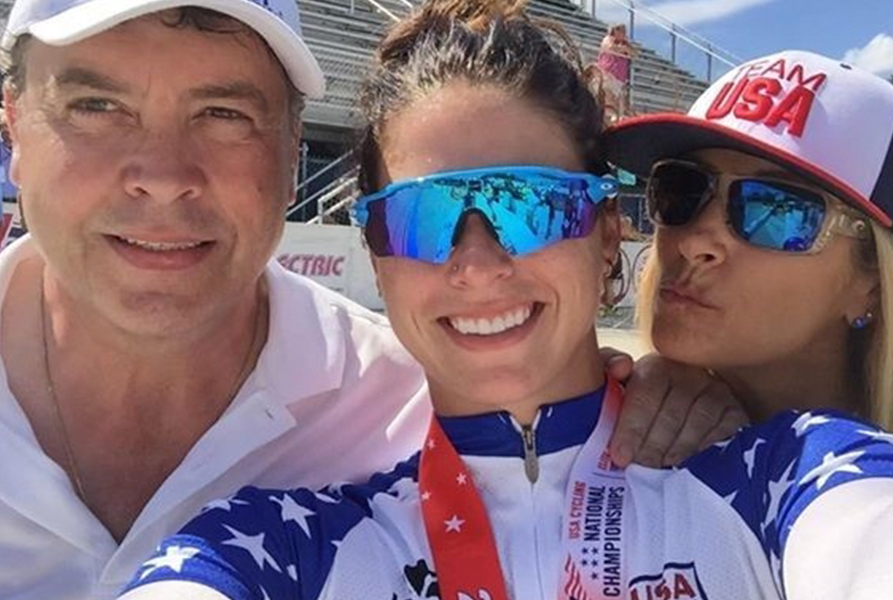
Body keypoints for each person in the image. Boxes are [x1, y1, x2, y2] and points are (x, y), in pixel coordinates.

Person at [119, 8, 893, 600]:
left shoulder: (788, 472)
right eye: (425, 217)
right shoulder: (285, 541)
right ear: (377, 252)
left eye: (528, 204)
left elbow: (891, 543)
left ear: (602, 231)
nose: (477, 263)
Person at [0, 0, 713, 596]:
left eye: (222, 113)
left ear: (289, 154)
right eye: (96, 105)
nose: (161, 175)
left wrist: (709, 399)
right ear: (12, 130)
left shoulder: (413, 401)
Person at [605, 49, 893, 482]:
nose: (694, 242)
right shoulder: (612, 429)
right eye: (681, 187)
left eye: (776, 210)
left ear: (873, 285)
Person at [596, 23, 636, 121]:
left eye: (624, 31)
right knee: (607, 92)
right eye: (621, 31)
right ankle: (609, 114)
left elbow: (634, 53)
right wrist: (622, 49)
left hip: (620, 75)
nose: (623, 33)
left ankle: (617, 115)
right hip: (607, 70)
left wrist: (625, 48)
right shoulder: (608, 39)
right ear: (615, 31)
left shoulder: (625, 43)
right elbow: (610, 47)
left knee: (618, 96)